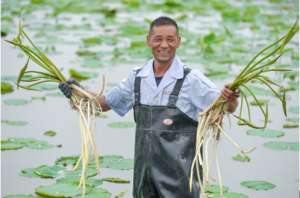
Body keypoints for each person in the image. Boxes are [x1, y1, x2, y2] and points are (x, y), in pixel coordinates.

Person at [59, 16, 239, 198]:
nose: (164, 45)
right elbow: (104, 104)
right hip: (144, 184)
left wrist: (230, 99)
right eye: (158, 39)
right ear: (148, 41)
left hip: (181, 185)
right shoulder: (137, 78)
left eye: (170, 39)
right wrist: (78, 93)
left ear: (178, 42)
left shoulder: (192, 80)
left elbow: (225, 108)